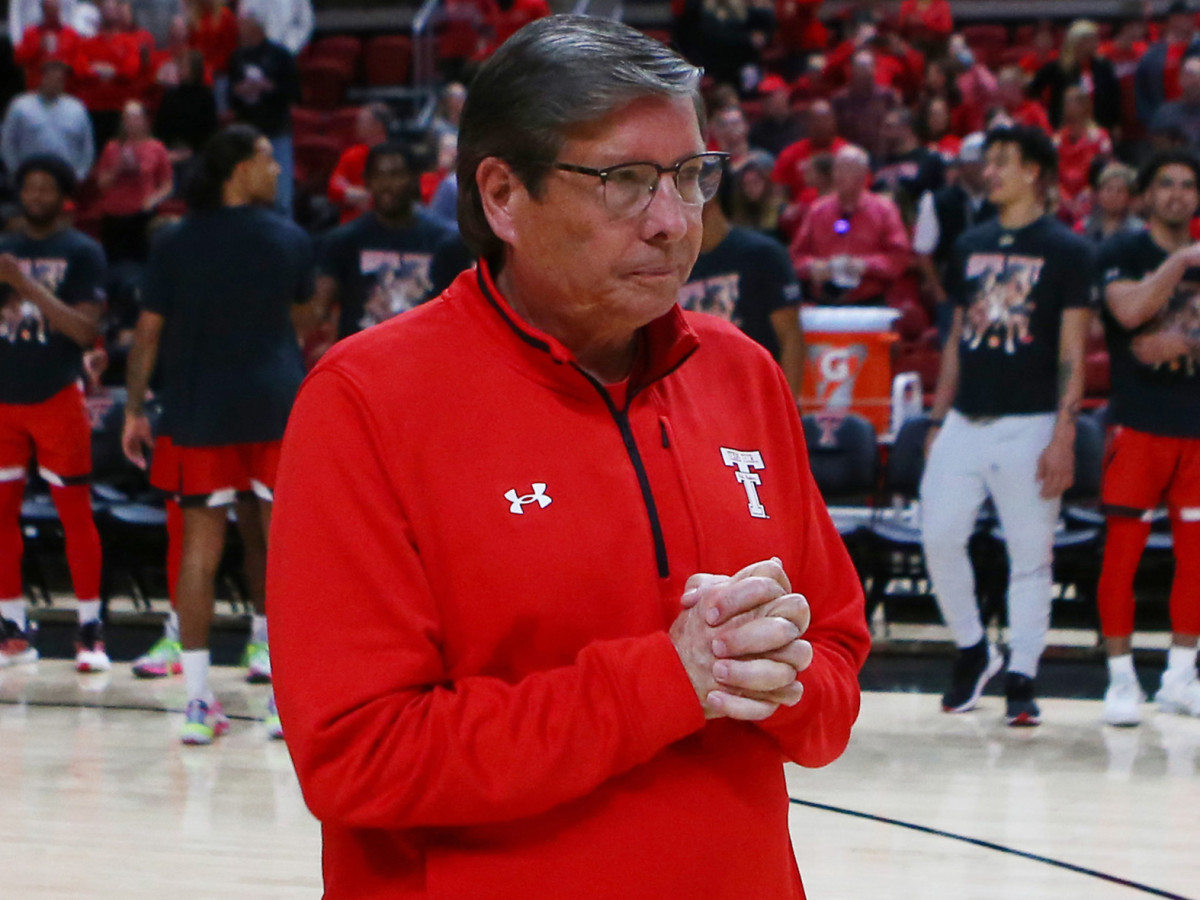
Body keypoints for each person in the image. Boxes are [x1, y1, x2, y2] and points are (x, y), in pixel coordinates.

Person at [268, 16, 869, 898]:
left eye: (690, 176)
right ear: (503, 196)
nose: (674, 222)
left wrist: (787, 677)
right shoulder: (365, 400)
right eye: (625, 182)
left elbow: (837, 663)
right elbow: (358, 757)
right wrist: (665, 680)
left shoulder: (743, 374)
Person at [122, 125, 314, 744]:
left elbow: (147, 333)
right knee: (282, 553)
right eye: (266, 159)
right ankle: (284, 699)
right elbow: (304, 322)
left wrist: (133, 409)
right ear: (238, 169)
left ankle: (199, 704)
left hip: (198, 411)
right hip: (275, 410)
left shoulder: (175, 241)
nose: (277, 170)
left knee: (199, 554)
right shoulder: (290, 238)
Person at [920, 125, 1095, 727]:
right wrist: (937, 419)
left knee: (1031, 556)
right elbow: (954, 339)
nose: (989, 171)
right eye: (988, 161)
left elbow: (1073, 351)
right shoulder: (970, 244)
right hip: (965, 418)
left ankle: (1023, 673)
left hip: (1032, 421)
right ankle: (973, 648)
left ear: (1034, 171)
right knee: (938, 535)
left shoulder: (1069, 250)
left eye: (1001, 161)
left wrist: (1065, 434)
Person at [1095, 149, 1200, 726]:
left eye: (1187, 185)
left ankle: (1181, 677)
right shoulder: (1122, 252)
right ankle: (1120, 680)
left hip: (1196, 432)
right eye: (1166, 184)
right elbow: (1132, 313)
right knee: (1122, 558)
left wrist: (1180, 342)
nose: (1177, 194)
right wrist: (1180, 261)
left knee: (1196, 561)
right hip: (1137, 425)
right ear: (1147, 195)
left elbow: (1161, 337)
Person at [0, 154, 108, 672]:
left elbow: (83, 330)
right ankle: (11, 629)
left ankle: (90, 630)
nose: (35, 195)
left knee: (75, 514)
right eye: (29, 186)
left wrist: (24, 285)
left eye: (46, 187)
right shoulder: (3, 248)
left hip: (56, 395)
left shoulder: (82, 252)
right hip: (3, 399)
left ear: (64, 197)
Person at [312, 141, 464, 343]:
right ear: (367, 181)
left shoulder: (447, 240)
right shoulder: (343, 240)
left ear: (414, 179)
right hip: (362, 353)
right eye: (379, 175)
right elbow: (318, 309)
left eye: (395, 174)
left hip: (424, 351)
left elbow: (460, 312)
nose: (386, 184)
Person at [679, 158, 805, 396]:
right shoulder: (672, 262)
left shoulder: (763, 254)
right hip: (692, 397)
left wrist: (789, 405)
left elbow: (790, 337)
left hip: (752, 395)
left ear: (710, 192)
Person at [790, 143, 910, 306]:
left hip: (870, 302)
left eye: (847, 170)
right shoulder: (818, 210)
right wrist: (814, 267)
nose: (840, 175)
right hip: (825, 301)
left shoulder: (884, 210)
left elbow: (899, 257)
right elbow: (795, 257)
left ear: (862, 175)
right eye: (837, 169)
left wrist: (863, 265)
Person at [912, 132, 996, 337]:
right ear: (964, 167)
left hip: (994, 297)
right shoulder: (937, 201)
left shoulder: (1000, 202)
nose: (985, 170)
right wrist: (941, 296)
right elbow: (923, 253)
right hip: (954, 297)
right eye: (978, 164)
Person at [226, 8, 300, 217]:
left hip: (276, 131)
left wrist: (269, 88)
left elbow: (295, 93)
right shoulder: (237, 57)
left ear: (256, 29)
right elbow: (231, 97)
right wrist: (240, 90)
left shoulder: (280, 55)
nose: (240, 32)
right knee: (246, 196)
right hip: (247, 135)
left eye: (244, 27)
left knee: (281, 195)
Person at [94, 99, 172, 263]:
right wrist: (118, 169)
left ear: (145, 121)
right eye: (128, 118)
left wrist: (153, 199)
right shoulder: (111, 147)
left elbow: (167, 184)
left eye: (136, 118)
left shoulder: (156, 147)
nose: (132, 122)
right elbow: (101, 183)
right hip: (114, 214)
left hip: (142, 213)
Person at [0, 59, 94, 182]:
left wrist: (80, 175)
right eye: (51, 75)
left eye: (59, 77)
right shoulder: (20, 106)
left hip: (65, 178)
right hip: (29, 177)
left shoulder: (77, 108)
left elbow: (87, 147)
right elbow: (7, 143)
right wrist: (16, 171)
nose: (55, 80)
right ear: (42, 77)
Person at [1028, 19, 1121, 132]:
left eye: (1095, 39)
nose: (1095, 43)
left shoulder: (1104, 66)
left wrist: (1115, 123)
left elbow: (1113, 97)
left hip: (1100, 124)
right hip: (1064, 127)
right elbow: (1033, 91)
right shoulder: (1057, 67)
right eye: (1089, 40)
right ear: (1076, 42)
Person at [74, 0, 140, 151]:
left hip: (119, 109)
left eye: (112, 8)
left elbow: (130, 70)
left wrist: (102, 70)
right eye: (105, 8)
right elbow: (80, 69)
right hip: (93, 108)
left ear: (118, 11)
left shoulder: (129, 42)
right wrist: (108, 71)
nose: (109, 11)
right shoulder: (87, 43)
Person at [326, 103, 394, 225]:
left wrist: (370, 198)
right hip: (352, 223)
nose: (357, 124)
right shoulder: (352, 154)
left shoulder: (396, 157)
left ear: (378, 126)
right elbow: (332, 189)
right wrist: (356, 194)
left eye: (363, 120)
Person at [13, 0, 81, 91]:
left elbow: (79, 62)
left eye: (55, 9)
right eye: (49, 9)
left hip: (65, 89)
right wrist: (37, 46)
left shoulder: (70, 33)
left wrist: (63, 65)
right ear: (43, 10)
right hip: (36, 89)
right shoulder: (31, 33)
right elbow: (18, 58)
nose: (52, 13)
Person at [1076, 162, 1142, 244]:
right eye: (1108, 189)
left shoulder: (1139, 230)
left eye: (1120, 191)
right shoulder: (1084, 226)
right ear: (1099, 193)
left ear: (1129, 197)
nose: (1113, 195)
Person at [1149, 56, 1200, 148]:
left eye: (1198, 76)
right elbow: (1160, 148)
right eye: (1190, 75)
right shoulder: (1166, 113)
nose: (1194, 81)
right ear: (1180, 79)